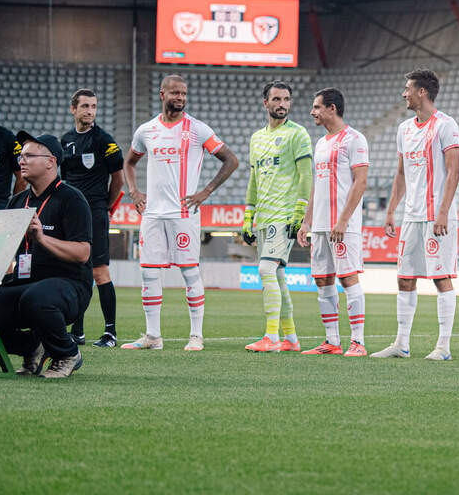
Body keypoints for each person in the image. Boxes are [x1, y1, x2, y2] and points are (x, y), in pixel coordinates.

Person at [121, 75, 238, 351]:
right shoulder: (146, 130)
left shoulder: (197, 129)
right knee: (149, 273)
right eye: (175, 93)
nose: (181, 98)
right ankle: (152, 336)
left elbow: (230, 160)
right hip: (152, 214)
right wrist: (134, 191)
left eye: (184, 94)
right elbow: (129, 162)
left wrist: (205, 192)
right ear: (162, 94)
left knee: (189, 271)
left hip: (183, 214)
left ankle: (196, 335)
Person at [0, 132, 93, 378]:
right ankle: (32, 348)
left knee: (36, 297)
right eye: (21, 156)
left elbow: (83, 253)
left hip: (70, 285)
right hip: (27, 282)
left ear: (50, 161)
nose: (22, 160)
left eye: (29, 156)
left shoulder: (72, 199)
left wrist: (42, 238)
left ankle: (67, 354)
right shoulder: (17, 201)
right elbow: (5, 253)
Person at [376, 70, 459, 361]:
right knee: (405, 278)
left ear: (422, 92)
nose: (404, 94)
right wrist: (390, 211)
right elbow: (401, 173)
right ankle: (401, 343)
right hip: (411, 216)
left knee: (441, 277)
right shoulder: (404, 129)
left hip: (436, 216)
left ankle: (443, 346)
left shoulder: (446, 125)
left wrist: (443, 212)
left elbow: (453, 172)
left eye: (408, 88)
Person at [297, 88, 370, 357]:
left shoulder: (355, 140)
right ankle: (332, 341)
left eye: (317, 107)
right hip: (320, 226)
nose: (312, 112)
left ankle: (358, 342)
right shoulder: (321, 143)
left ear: (332, 108)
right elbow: (317, 186)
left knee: (348, 278)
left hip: (343, 225)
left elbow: (360, 182)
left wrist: (343, 219)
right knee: (322, 280)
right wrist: (307, 223)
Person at [242, 81, 312, 353]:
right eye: (277, 99)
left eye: (286, 99)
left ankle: (271, 336)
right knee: (278, 275)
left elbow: (307, 174)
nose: (282, 104)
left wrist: (299, 213)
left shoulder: (298, 134)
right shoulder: (257, 138)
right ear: (266, 103)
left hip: (284, 215)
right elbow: (253, 179)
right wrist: (248, 216)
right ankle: (290, 338)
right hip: (265, 216)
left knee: (265, 269)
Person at [60, 88, 124, 348]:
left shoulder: (104, 140)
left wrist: (104, 206)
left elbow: (118, 179)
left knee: (99, 271)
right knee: (76, 270)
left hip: (96, 212)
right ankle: (78, 330)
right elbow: (64, 179)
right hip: (72, 215)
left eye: (94, 106)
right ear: (73, 109)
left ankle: (110, 333)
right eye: (85, 106)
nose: (90, 111)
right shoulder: (65, 141)